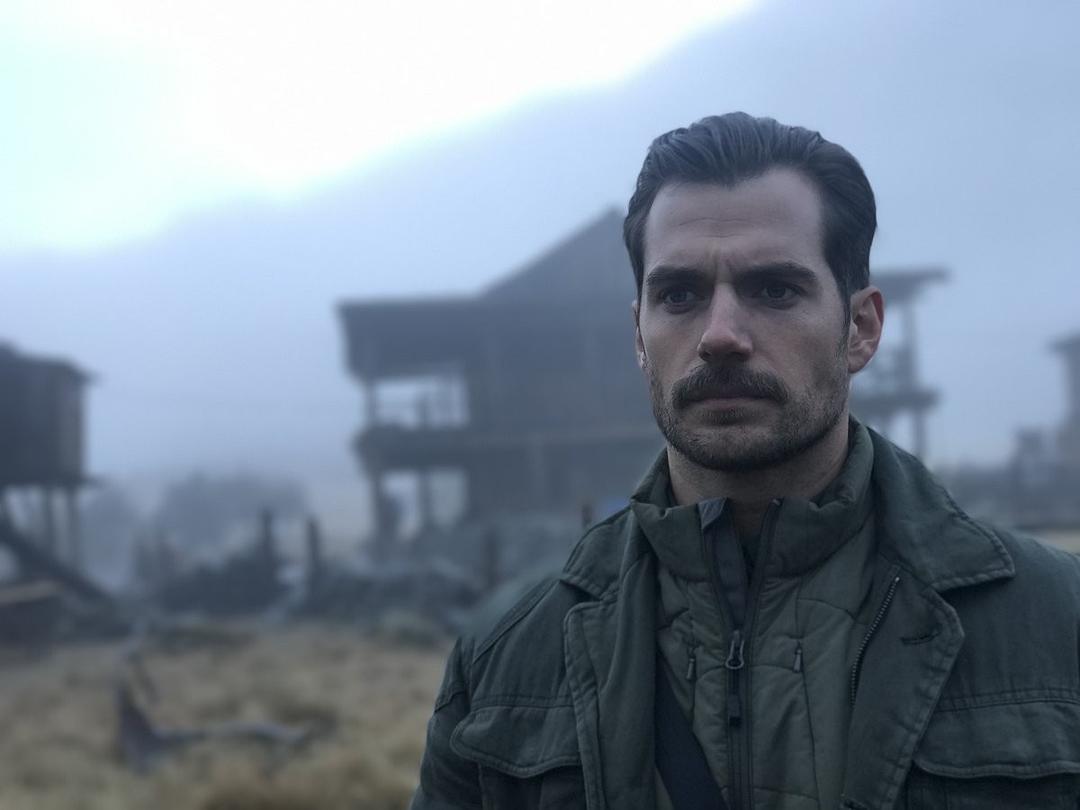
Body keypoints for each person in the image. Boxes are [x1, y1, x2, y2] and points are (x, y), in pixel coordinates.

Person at [409, 113, 1080, 810]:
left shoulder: (1056, 623)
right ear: (638, 336)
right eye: (679, 295)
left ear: (861, 328)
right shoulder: (506, 657)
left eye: (774, 290)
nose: (720, 335)